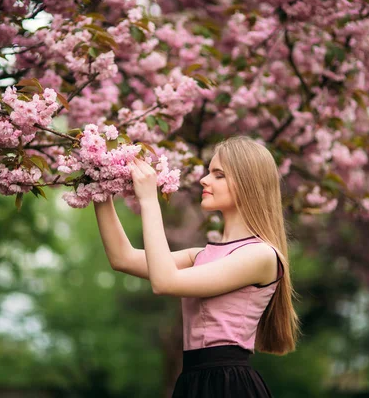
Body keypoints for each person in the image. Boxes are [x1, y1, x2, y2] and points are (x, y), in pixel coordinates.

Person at [93, 135, 300, 397]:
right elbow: (122, 258)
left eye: (218, 174)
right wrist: (98, 186)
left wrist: (149, 201)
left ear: (248, 184)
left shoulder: (261, 256)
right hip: (192, 381)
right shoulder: (202, 255)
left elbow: (165, 282)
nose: (204, 179)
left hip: (229, 386)